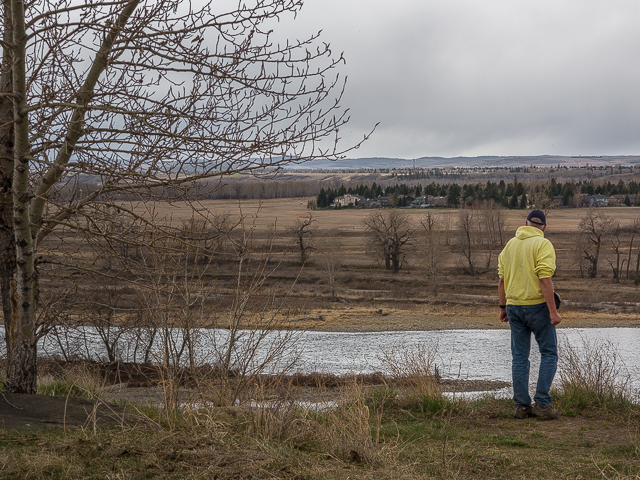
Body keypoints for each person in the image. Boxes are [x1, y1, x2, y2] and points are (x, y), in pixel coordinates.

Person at [498, 209, 562, 420]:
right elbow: (545, 279)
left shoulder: (510, 245)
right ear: (544, 227)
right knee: (549, 353)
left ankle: (521, 407)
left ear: (524, 222)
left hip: (513, 307)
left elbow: (502, 280)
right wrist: (553, 312)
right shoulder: (543, 244)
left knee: (519, 357)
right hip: (537, 307)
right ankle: (542, 404)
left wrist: (502, 307)